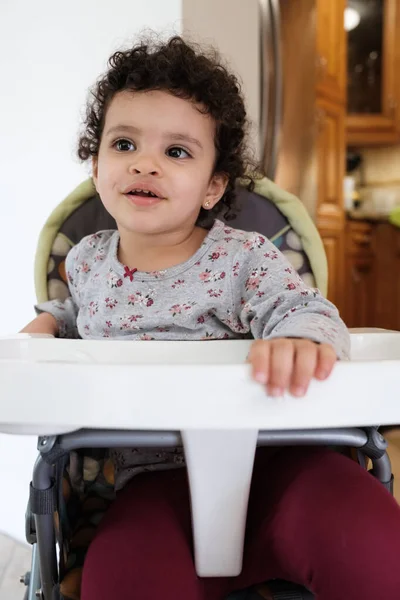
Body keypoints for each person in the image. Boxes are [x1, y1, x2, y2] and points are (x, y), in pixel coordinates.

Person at [21, 36, 400, 600]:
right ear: (97, 167)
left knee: (370, 545)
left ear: (213, 186)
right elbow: (84, 312)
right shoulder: (85, 259)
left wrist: (297, 336)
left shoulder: (245, 257)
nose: (145, 162)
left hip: (284, 465)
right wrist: (49, 325)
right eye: (124, 144)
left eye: (177, 152)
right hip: (151, 485)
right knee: (122, 579)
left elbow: (303, 307)